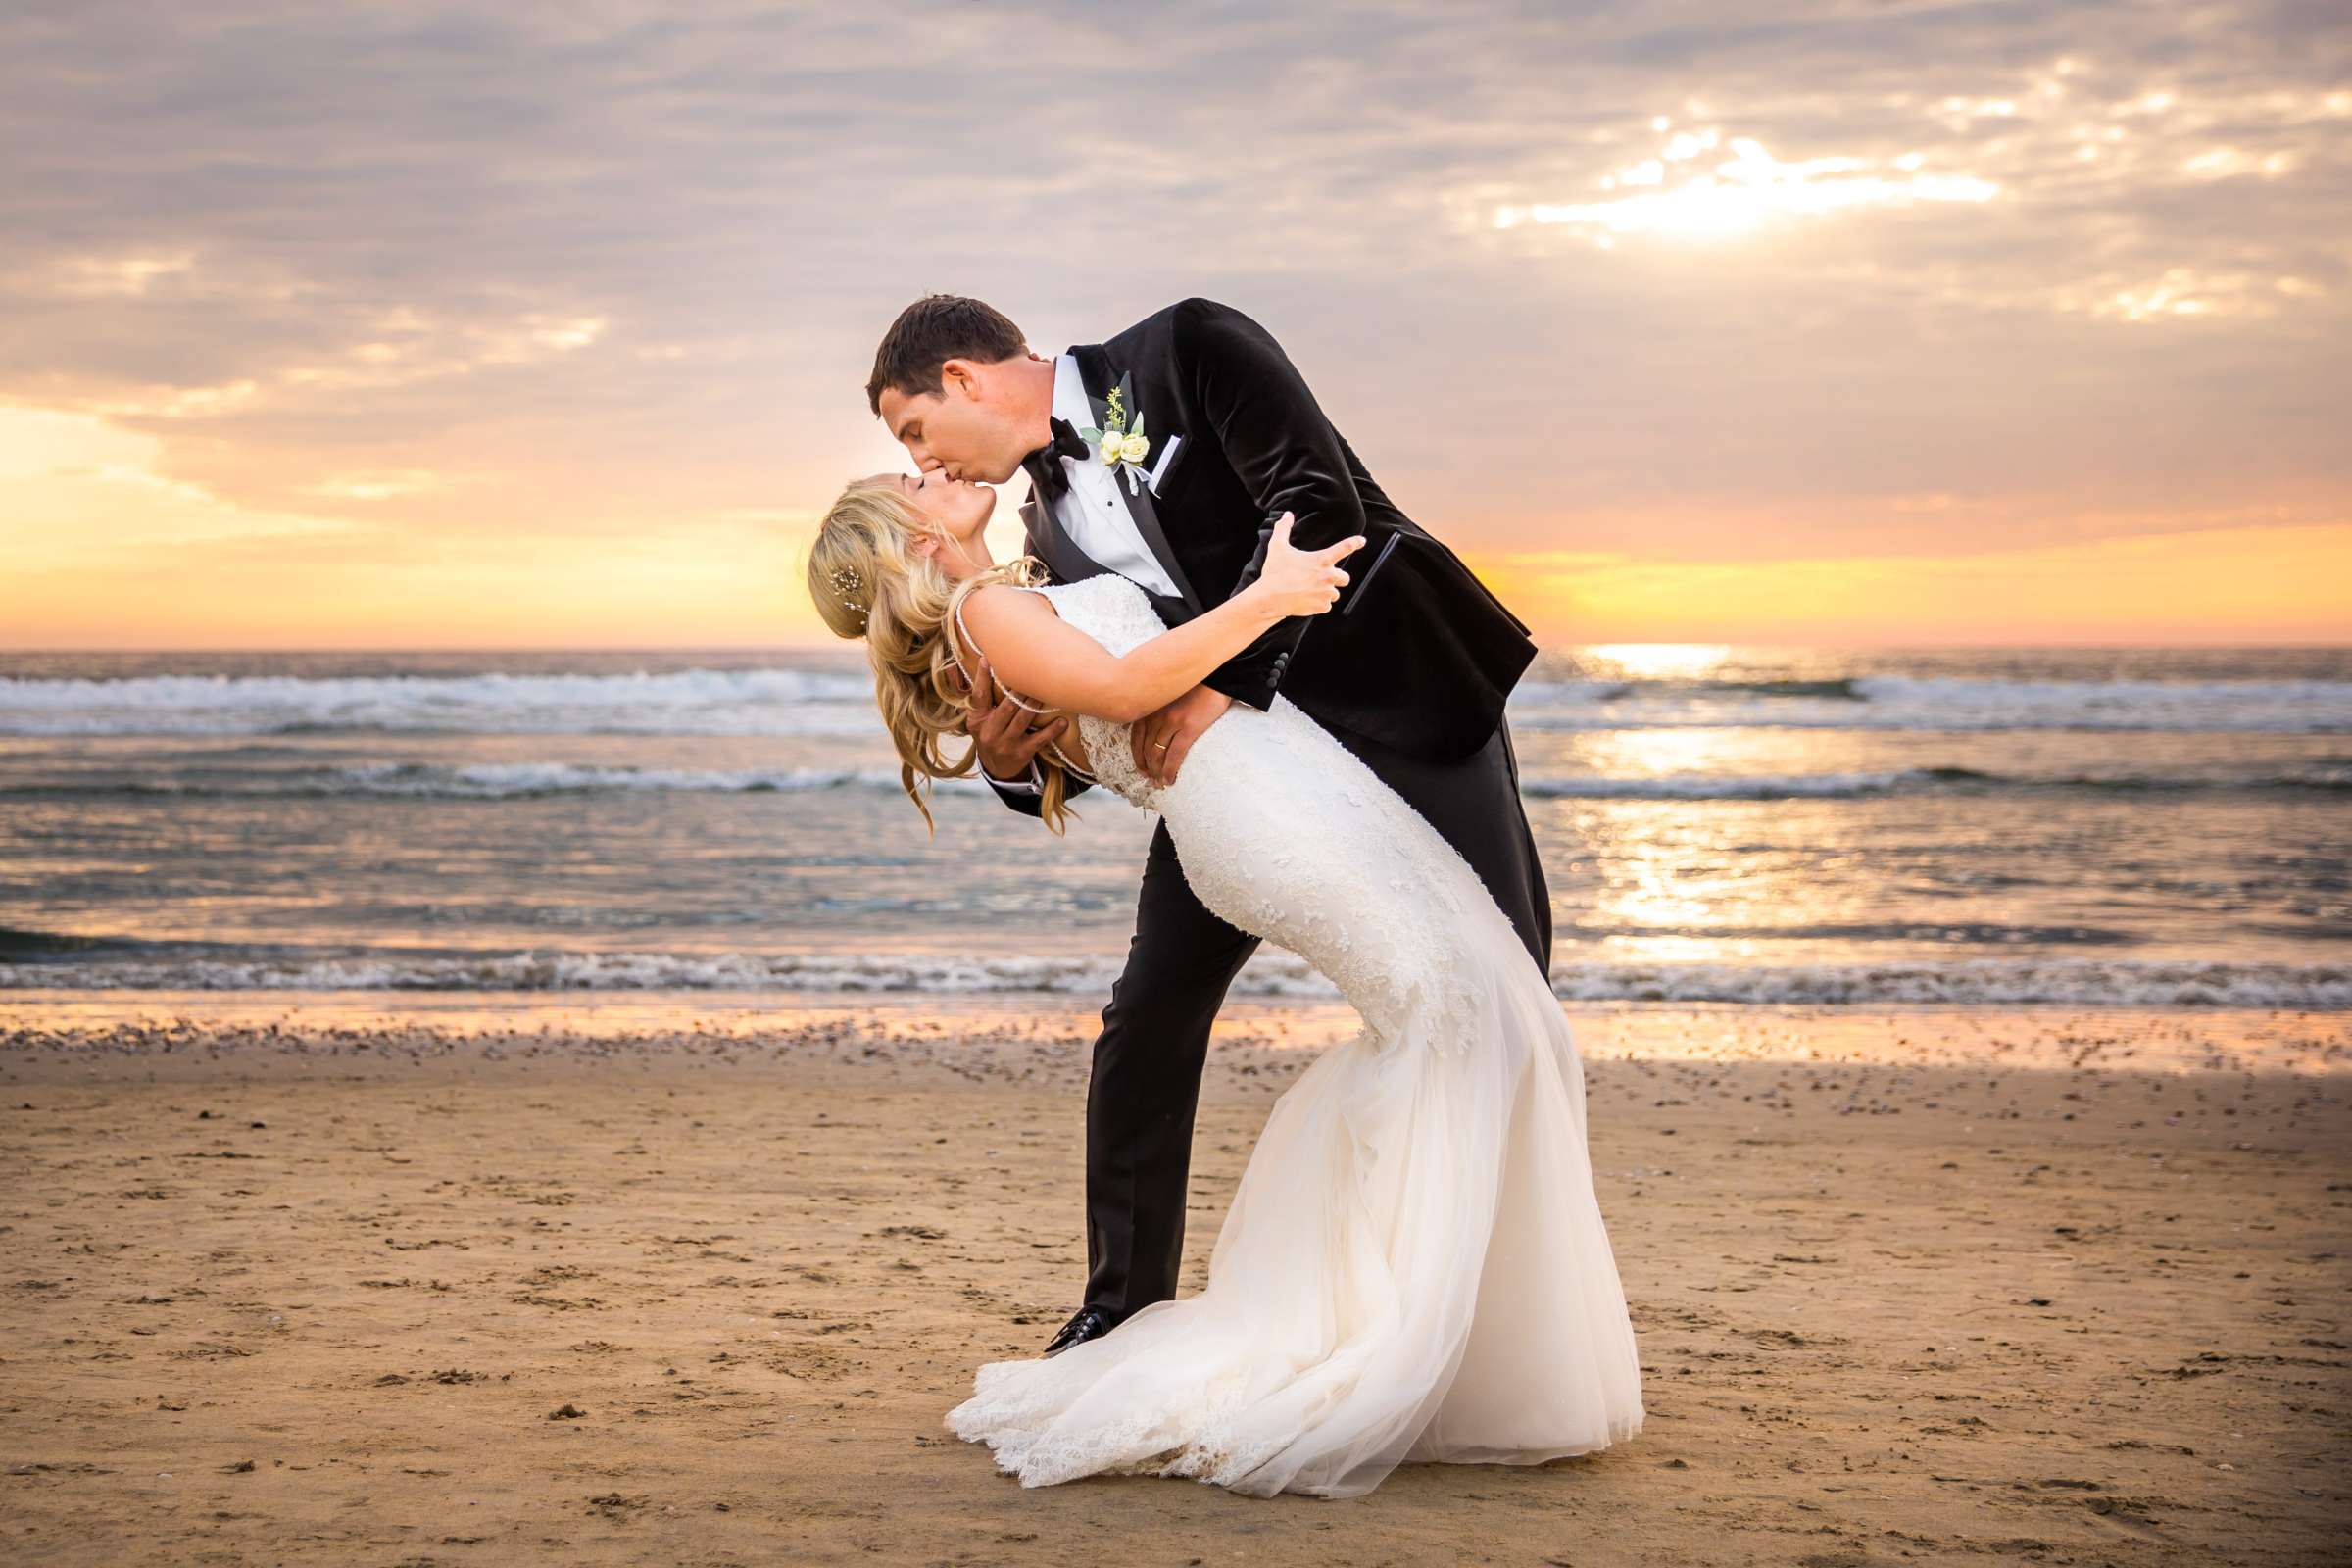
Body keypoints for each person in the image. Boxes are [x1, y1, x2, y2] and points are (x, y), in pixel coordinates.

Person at [803, 463, 1644, 1498]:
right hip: (1255, 813)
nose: (929, 466)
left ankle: (1427, 1331)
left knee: (1470, 1011)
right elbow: (1121, 690)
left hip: (1283, 782)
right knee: (1450, 1014)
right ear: (912, 540)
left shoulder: (1019, 581)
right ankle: (1379, 1338)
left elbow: (1097, 684)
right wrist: (1273, 596)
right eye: (908, 468)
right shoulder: (989, 612)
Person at [866, 294, 1556, 1362]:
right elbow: (1108, 704)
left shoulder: (1189, 348)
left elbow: (1319, 506)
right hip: (1241, 786)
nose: (926, 457)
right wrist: (1013, 766)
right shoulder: (1040, 534)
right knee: (1147, 1016)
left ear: (960, 377)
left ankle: (1487, 1312)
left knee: (1504, 986)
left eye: (913, 428)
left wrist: (1218, 688)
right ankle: (1121, 1306)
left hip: (1399, 704)